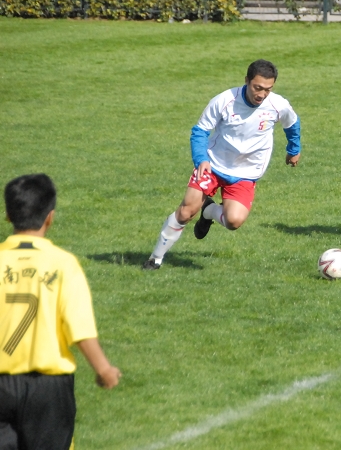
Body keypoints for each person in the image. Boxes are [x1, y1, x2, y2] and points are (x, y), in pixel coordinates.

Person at [143, 59, 301, 270]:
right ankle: (155, 259)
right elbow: (200, 131)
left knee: (233, 221)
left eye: (268, 89)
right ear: (247, 81)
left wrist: (293, 150)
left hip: (246, 172)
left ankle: (208, 211)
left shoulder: (278, 105)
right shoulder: (224, 100)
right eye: (258, 88)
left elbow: (292, 124)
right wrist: (202, 159)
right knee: (186, 212)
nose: (262, 94)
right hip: (213, 165)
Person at [1, 173, 121, 449]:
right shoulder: (63, 264)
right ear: (50, 217)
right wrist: (104, 369)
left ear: (8, 215)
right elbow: (78, 327)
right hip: (48, 390)